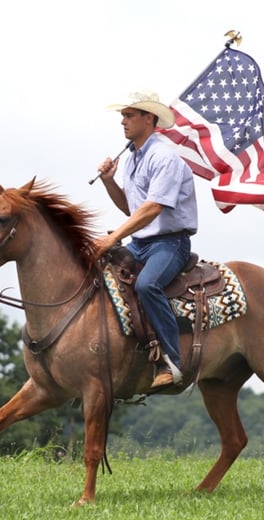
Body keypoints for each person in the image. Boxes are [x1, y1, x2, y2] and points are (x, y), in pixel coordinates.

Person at [94, 91, 198, 388]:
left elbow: (153, 208)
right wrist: (108, 181)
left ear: (148, 118)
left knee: (147, 285)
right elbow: (132, 207)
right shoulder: (133, 159)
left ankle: (173, 363)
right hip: (140, 243)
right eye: (123, 116)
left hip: (169, 243)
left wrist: (114, 236)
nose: (123, 122)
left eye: (129, 115)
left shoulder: (163, 157)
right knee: (104, 277)